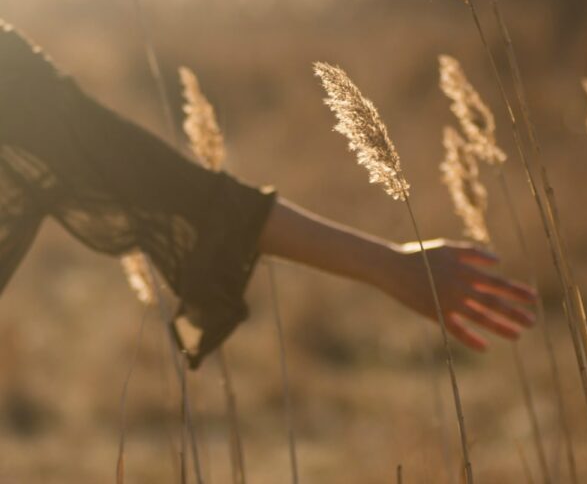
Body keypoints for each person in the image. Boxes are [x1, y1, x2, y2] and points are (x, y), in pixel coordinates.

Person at [0, 22, 536, 368]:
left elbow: (188, 194)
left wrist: (389, 266)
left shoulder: (12, 74)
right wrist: (386, 266)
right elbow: (195, 196)